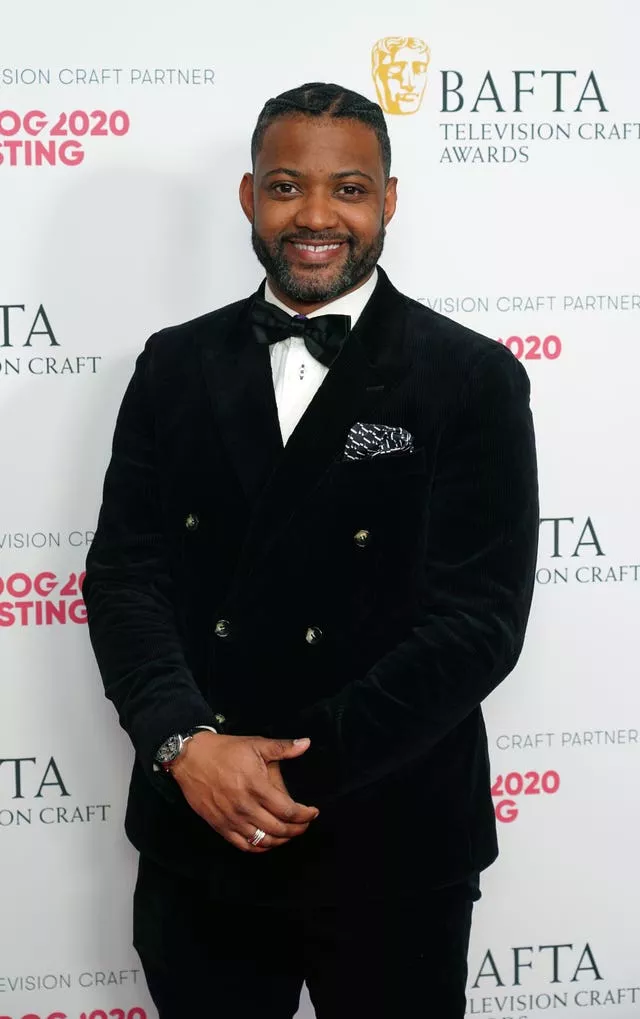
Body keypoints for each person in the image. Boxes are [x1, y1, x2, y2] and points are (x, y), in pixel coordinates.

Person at [83, 82, 539, 1019]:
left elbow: (479, 624)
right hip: (197, 832)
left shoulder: (471, 377)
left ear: (390, 200)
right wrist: (187, 744)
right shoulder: (173, 363)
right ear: (250, 198)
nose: (318, 216)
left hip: (395, 839)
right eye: (288, 186)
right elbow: (128, 575)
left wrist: (290, 770)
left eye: (351, 189)